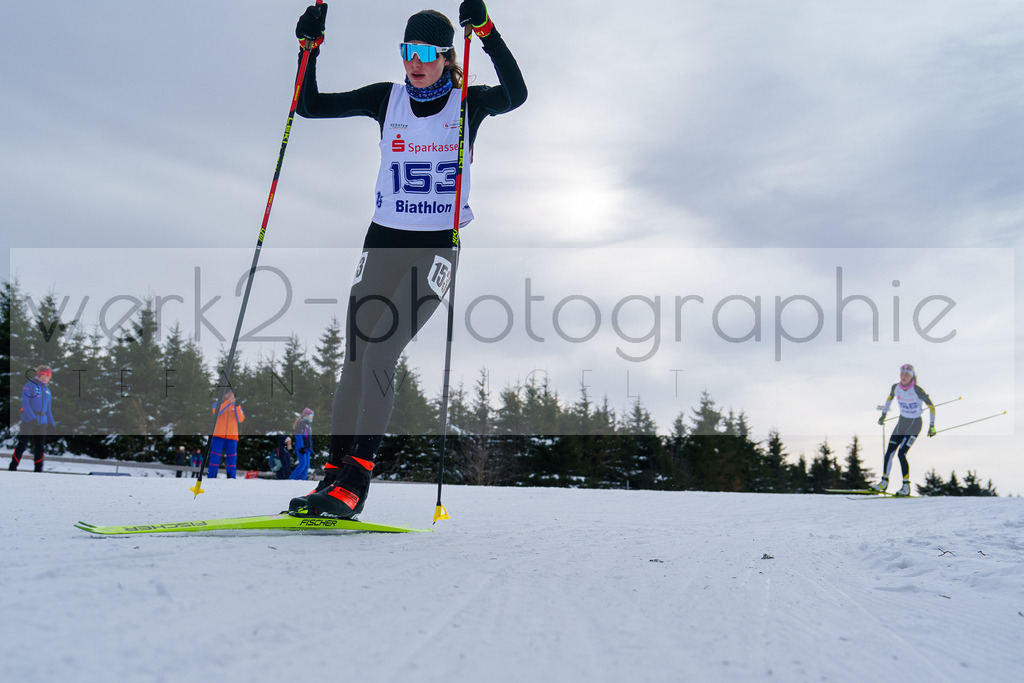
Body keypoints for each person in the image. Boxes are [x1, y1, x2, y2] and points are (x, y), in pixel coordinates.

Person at [287, 1, 526, 518]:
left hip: (435, 248)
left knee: (380, 353)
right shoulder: (386, 99)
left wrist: (485, 31)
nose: (413, 62)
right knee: (354, 357)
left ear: (446, 58)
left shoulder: (469, 103)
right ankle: (331, 476)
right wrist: (309, 50)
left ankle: (357, 480)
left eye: (424, 53)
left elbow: (517, 94)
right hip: (382, 244)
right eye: (406, 51)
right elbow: (308, 106)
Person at [872, 364, 936, 496]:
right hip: (901, 423)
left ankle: (906, 487)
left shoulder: (917, 390)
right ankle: (883, 483)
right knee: (889, 451)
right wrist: (883, 415)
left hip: (915, 424)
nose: (903, 376)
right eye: (902, 373)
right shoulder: (895, 387)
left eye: (907, 374)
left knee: (902, 453)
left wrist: (932, 426)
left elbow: (932, 407)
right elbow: (889, 400)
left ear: (912, 376)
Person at [10, 365, 55, 472]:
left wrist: (51, 423)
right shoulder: (29, 386)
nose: (47, 377)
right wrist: (32, 418)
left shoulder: (47, 391)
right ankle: (13, 467)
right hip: (28, 420)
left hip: (42, 422)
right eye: (45, 374)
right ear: (39, 374)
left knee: (40, 447)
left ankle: (38, 470)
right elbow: (25, 404)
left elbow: (48, 409)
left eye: (49, 375)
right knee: (22, 444)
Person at [208, 391, 245, 479]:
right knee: (215, 457)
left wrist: (237, 406)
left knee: (232, 458)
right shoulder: (217, 403)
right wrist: (228, 402)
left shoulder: (236, 405)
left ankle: (231, 477)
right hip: (218, 435)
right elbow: (216, 413)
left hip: (232, 436)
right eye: (228, 393)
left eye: (232, 394)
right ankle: (211, 476)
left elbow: (240, 419)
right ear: (224, 394)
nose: (230, 395)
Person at [290, 408, 314, 481]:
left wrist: (310, 448)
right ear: (306, 415)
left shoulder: (308, 425)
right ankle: (291, 479)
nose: (312, 416)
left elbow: (308, 439)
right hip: (302, 448)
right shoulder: (301, 424)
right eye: (311, 415)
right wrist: (301, 447)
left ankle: (302, 480)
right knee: (302, 465)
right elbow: (299, 436)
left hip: (307, 448)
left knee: (306, 466)